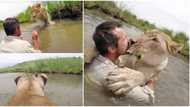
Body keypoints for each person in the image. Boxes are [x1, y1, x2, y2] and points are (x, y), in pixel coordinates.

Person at [86, 21, 156, 105]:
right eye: (125, 38)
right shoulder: (113, 77)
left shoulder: (92, 58)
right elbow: (148, 100)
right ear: (111, 48)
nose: (130, 40)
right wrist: (152, 81)